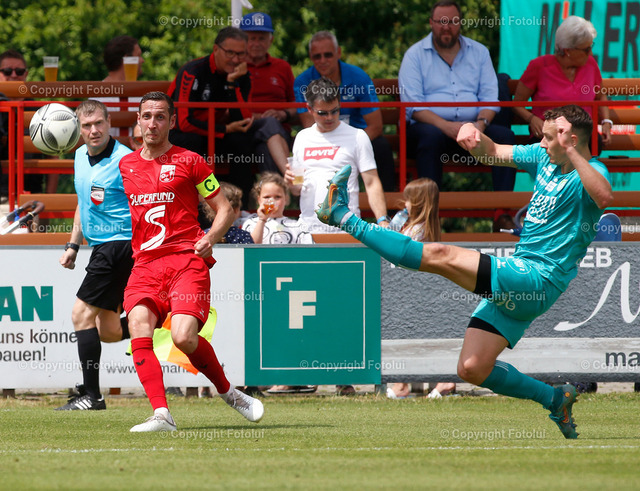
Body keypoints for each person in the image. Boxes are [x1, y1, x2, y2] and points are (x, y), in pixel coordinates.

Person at [316, 104, 613, 439]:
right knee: (472, 368)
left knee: (440, 254)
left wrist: (571, 151)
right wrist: (474, 135)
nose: (541, 144)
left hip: (538, 278)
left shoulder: (592, 169)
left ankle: (342, 216)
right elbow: (494, 152)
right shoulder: (543, 156)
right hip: (520, 278)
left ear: (571, 140)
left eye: (548, 138)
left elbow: (604, 196)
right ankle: (555, 399)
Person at [119, 91, 264, 432]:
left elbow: (224, 209)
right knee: (138, 326)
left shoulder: (191, 161)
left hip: (186, 261)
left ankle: (230, 393)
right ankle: (161, 414)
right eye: (146, 116)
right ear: (138, 121)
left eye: (160, 117)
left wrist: (210, 238)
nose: (152, 123)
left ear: (171, 121)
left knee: (183, 337)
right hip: (145, 266)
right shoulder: (126, 165)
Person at [398, 1, 517, 231]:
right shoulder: (414, 55)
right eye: (441, 21)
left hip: (474, 130)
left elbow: (490, 100)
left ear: (460, 23)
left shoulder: (479, 52)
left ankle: (503, 214)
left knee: (505, 136)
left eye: (452, 21)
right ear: (431, 23)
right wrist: (447, 127)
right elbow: (413, 106)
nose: (446, 27)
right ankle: (427, 218)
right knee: (429, 137)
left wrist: (479, 126)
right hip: (432, 129)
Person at [56, 100, 133, 410]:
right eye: (86, 125)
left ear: (109, 121)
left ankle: (92, 396)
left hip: (118, 246)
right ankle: (162, 319)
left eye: (99, 123)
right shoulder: (78, 156)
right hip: (99, 248)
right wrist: (73, 246)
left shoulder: (125, 159)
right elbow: (83, 203)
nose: (94, 130)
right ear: (79, 129)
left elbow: (144, 204)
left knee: (80, 315)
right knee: (110, 331)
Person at [167, 27, 290, 206]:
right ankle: (194, 209)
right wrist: (223, 129)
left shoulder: (242, 76)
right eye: (230, 53)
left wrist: (233, 83)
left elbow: (242, 120)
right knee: (192, 141)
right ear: (216, 49)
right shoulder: (193, 71)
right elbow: (183, 122)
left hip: (215, 133)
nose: (235, 59)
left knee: (241, 141)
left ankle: (239, 208)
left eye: (241, 54)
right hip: (184, 134)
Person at [294, 31, 396, 191]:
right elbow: (309, 125)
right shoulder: (302, 82)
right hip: (322, 141)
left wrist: (350, 145)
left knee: (381, 147)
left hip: (357, 137)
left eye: (328, 55)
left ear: (338, 53)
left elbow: (375, 126)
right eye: (317, 56)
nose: (323, 60)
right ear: (310, 57)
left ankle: (389, 204)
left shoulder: (359, 78)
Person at [285, 77, 389, 235]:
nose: (330, 117)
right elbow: (297, 189)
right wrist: (291, 183)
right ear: (309, 109)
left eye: (335, 111)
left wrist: (382, 220)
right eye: (322, 113)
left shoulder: (357, 136)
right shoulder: (302, 137)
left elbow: (371, 182)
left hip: (345, 228)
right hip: (308, 228)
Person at [384, 178, 455, 400]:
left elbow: (398, 251)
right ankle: (408, 382)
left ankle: (407, 382)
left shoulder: (419, 230)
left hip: (414, 292)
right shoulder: (415, 226)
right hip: (415, 292)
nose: (404, 204)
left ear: (418, 202)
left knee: (410, 334)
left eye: (408, 199)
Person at [513, 16, 612, 151]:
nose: (591, 53)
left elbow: (600, 97)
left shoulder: (591, 65)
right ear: (567, 51)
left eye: (591, 47)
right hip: (549, 136)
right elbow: (517, 104)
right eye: (586, 49)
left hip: (583, 136)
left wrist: (606, 122)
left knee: (591, 141)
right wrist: (532, 119)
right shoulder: (539, 66)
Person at [0, 49, 57, 195]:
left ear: (26, 74)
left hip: (33, 196)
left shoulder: (40, 111)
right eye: (7, 71)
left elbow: (52, 158)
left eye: (19, 71)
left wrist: (49, 200)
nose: (14, 75)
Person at [239, 12, 297, 131]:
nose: (256, 44)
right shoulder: (233, 66)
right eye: (252, 39)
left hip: (277, 128)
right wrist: (255, 117)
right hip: (242, 128)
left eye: (262, 39)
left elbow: (296, 103)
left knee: (271, 124)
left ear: (270, 41)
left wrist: (282, 114)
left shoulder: (283, 67)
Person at [242, 172, 313, 244]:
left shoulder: (297, 226)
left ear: (286, 199)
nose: (272, 201)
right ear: (259, 200)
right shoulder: (251, 224)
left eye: (277, 197)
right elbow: (252, 247)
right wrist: (262, 220)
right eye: (267, 197)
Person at [96, 35, 144, 138]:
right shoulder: (142, 96)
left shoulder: (96, 95)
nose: (142, 60)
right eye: (139, 55)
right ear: (127, 60)